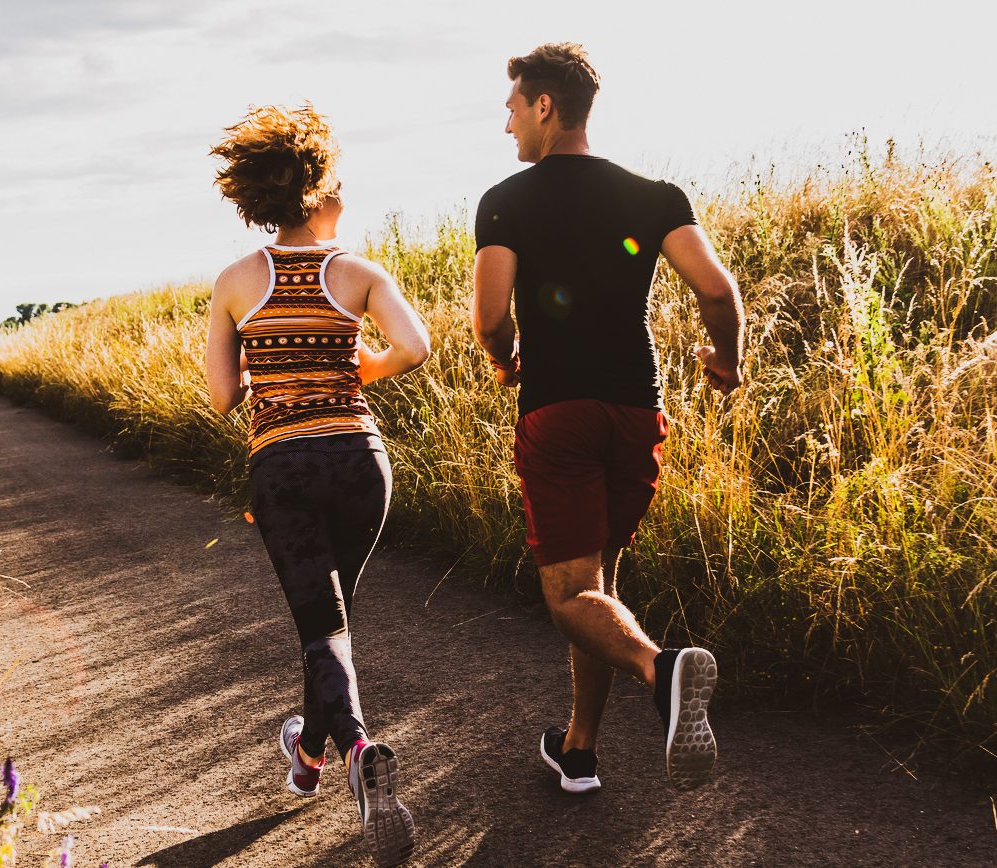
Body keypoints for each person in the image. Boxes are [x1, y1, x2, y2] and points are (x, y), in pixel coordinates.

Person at [469, 43, 747, 794]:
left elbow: (489, 318)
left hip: (558, 412)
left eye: (512, 108)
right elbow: (716, 291)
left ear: (545, 106)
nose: (507, 125)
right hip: (635, 410)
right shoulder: (654, 195)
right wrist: (726, 362)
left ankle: (662, 671)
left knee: (568, 596)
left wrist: (505, 358)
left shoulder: (505, 200)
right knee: (597, 584)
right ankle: (579, 751)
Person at [204, 104, 430, 865]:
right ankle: (306, 759)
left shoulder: (236, 281)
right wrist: (361, 368)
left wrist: (265, 364)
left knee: (319, 624)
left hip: (285, 468)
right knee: (329, 621)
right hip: (360, 462)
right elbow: (415, 346)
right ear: (318, 186)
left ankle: (359, 750)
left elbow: (221, 397)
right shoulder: (358, 273)